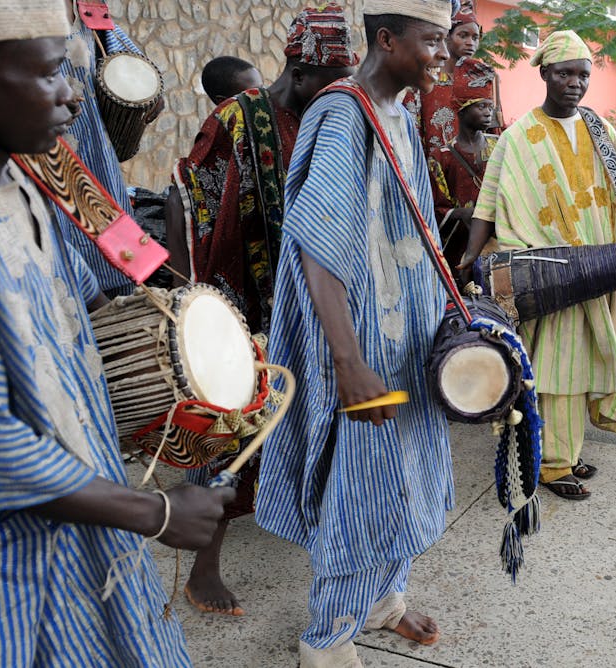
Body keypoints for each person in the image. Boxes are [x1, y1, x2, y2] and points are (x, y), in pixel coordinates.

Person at [0, 0, 234, 664]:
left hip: (81, 536)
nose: (74, 94)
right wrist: (155, 513)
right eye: (51, 73)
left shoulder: (20, 178)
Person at [255, 5, 454, 666]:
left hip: (406, 341)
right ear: (387, 39)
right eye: (432, 42)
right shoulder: (344, 113)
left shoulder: (399, 111)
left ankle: (383, 600)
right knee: (360, 489)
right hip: (363, 344)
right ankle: (328, 638)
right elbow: (319, 244)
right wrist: (347, 360)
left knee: (404, 476)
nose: (443, 55)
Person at [171, 5, 358, 618]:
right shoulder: (234, 119)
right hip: (240, 303)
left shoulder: (331, 120)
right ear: (298, 73)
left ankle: (334, 557)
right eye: (328, 83)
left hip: (311, 300)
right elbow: (185, 197)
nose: (337, 94)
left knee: (322, 428)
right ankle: (203, 568)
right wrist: (192, 295)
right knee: (232, 434)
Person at [469, 30, 616, 501]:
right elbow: (488, 203)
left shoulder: (601, 131)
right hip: (548, 273)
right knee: (558, 368)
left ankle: (567, 449)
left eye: (582, 74)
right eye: (564, 73)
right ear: (545, 73)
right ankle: (551, 464)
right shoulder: (518, 136)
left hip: (600, 268)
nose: (575, 83)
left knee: (585, 361)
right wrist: (468, 258)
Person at [58, 0, 163, 296]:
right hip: (44, 155)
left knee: (121, 265)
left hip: (96, 155)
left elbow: (130, 62)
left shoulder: (88, 6)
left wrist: (148, 94)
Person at [428, 62, 497, 270]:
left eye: (490, 107)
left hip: (497, 242)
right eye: (481, 106)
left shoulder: (500, 146)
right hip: (458, 248)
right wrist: (461, 213)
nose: (488, 113)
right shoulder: (441, 157)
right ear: (462, 109)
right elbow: (434, 208)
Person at [403, 0, 493, 157]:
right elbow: (410, 134)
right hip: (433, 167)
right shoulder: (424, 81)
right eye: (463, 36)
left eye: (475, 38)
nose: (470, 43)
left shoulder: (481, 81)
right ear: (447, 37)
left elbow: (491, 130)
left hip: (473, 167)